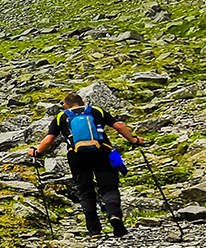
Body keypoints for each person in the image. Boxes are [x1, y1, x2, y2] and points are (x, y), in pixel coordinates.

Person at [28, 93, 145, 237]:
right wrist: (134, 140)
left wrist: (37, 152)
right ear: (83, 102)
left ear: (65, 105)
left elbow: (49, 139)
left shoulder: (61, 117)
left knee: (85, 190)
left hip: (77, 156)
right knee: (108, 187)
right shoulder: (97, 111)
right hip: (102, 152)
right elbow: (119, 126)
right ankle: (114, 216)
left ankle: (94, 230)